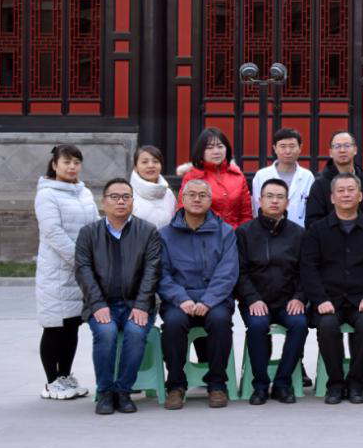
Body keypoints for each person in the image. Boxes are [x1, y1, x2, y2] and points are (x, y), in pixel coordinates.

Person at [74, 177, 161, 414]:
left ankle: (123, 391)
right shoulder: (88, 233)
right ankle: (105, 392)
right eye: (114, 197)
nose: (120, 201)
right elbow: (83, 270)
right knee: (106, 332)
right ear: (104, 202)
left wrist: (142, 305)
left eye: (126, 197)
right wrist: (97, 304)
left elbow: (152, 271)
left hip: (137, 304)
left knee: (135, 332)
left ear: (133, 201)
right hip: (102, 304)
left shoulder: (147, 231)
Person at [157, 179, 239, 409]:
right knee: (173, 323)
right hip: (178, 300)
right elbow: (161, 274)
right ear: (181, 199)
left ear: (210, 200)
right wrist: (181, 298)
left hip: (215, 300)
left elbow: (228, 272)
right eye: (191, 194)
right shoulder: (165, 235)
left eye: (202, 195)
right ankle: (175, 385)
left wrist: (208, 300)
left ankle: (217, 384)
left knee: (220, 320)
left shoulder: (225, 232)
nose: (196, 199)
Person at [301, 173, 363, 405]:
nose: (346, 195)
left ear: (361, 196)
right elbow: (308, 268)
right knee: (327, 326)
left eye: (351, 190)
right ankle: (335, 383)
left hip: (361, 300)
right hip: (329, 300)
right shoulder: (317, 231)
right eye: (341, 191)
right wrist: (319, 299)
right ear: (332, 197)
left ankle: (356, 382)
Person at [235, 178, 307, 404]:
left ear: (287, 202)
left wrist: (299, 297)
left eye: (280, 197)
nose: (274, 201)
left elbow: (306, 272)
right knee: (257, 326)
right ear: (259, 200)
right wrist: (252, 299)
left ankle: (283, 383)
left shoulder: (298, 234)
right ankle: (260, 384)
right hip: (256, 301)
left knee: (299, 324)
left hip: (288, 301)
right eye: (269, 196)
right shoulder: (244, 233)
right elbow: (239, 272)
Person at [34, 144, 98, 400]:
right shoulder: (46, 194)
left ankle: (66, 376)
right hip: (58, 272)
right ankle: (51, 381)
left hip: (81, 272)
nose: (72, 167)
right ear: (54, 165)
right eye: (67, 162)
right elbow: (53, 232)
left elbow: (94, 226)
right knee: (55, 326)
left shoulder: (84, 192)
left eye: (76, 162)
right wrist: (81, 260)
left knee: (72, 325)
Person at [177, 127, 252, 228]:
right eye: (210, 147)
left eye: (220, 146)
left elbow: (246, 214)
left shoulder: (238, 176)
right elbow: (183, 212)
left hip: (234, 235)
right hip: (203, 234)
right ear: (201, 151)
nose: (216, 151)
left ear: (226, 149)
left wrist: (241, 234)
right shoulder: (192, 177)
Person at [250, 127, 316, 227]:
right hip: (268, 230)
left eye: (292, 146)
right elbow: (257, 207)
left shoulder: (307, 176)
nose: (288, 151)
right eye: (283, 146)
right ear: (275, 148)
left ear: (300, 148)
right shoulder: (262, 176)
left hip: (300, 231)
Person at [306, 130, 363, 221]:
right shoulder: (320, 184)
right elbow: (313, 220)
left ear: (355, 150)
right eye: (337, 146)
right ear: (330, 152)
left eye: (347, 146)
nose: (342, 150)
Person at [130, 145, 176, 228]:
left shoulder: (168, 194)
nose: (151, 165)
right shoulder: (128, 194)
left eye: (155, 161)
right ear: (135, 167)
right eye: (144, 162)